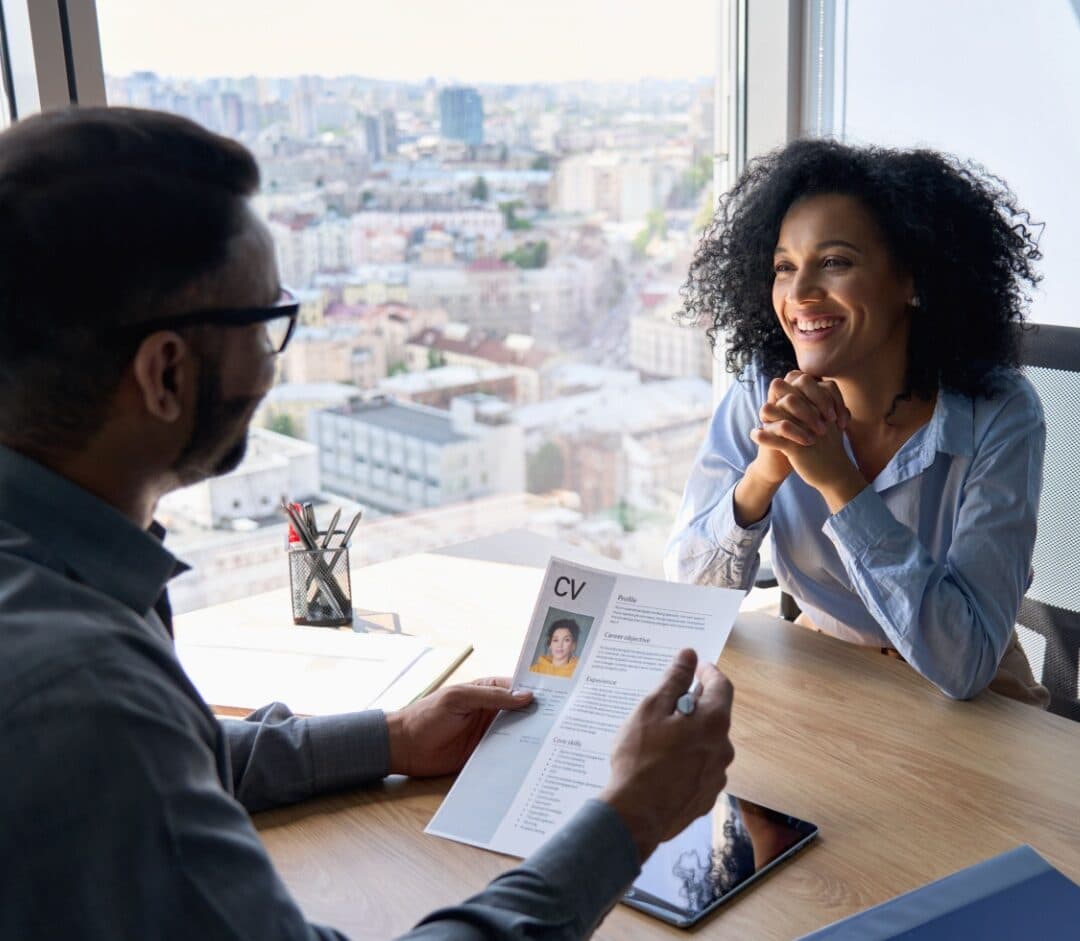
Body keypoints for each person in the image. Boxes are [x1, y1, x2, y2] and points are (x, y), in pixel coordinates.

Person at [0, 106, 736, 940]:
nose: (276, 361)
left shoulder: (55, 571)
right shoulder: (77, 691)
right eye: (267, 323)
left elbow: (172, 766)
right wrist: (631, 817)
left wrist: (391, 738)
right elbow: (125, 750)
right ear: (166, 373)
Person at [665, 138, 1048, 706]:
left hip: (973, 700)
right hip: (824, 671)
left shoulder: (998, 412)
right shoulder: (762, 387)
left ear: (911, 279)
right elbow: (687, 596)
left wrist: (839, 483)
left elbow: (965, 660)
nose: (799, 294)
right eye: (784, 267)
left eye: (835, 263)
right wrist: (763, 476)